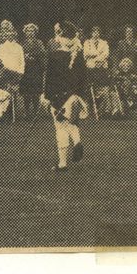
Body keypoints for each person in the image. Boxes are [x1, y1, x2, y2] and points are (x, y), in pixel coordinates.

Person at [41, 23, 88, 171]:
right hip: (74, 96)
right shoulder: (78, 55)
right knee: (72, 123)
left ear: (60, 37)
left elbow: (49, 78)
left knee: (60, 127)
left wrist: (46, 96)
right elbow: (83, 78)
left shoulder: (55, 55)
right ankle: (77, 141)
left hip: (58, 97)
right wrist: (80, 97)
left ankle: (62, 163)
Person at [20, 23, 47, 120]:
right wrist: (25, 56)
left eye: (32, 31)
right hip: (26, 69)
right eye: (28, 31)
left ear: (35, 32)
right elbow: (19, 54)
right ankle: (27, 112)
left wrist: (33, 56)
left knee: (36, 91)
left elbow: (43, 53)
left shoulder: (39, 42)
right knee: (26, 92)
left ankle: (36, 112)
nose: (30, 33)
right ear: (25, 32)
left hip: (36, 69)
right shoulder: (22, 43)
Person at [0, 21, 25, 107]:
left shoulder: (19, 47)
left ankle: (13, 113)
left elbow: (22, 61)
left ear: (14, 35)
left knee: (13, 92)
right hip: (4, 72)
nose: (10, 36)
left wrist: (20, 72)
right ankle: (5, 111)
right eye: (8, 34)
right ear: (5, 36)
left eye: (12, 34)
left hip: (15, 72)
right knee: (4, 92)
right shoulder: (1, 46)